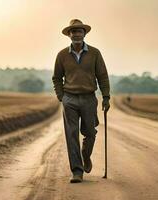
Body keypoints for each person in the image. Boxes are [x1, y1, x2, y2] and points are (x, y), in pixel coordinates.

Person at [52, 19, 110, 183]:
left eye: (79, 31)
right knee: (71, 134)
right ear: (69, 35)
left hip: (88, 98)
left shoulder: (95, 53)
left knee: (90, 133)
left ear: (84, 34)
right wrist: (61, 96)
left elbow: (103, 76)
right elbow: (56, 78)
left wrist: (106, 97)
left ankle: (86, 155)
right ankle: (77, 171)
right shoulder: (62, 55)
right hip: (69, 98)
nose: (76, 34)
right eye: (73, 31)